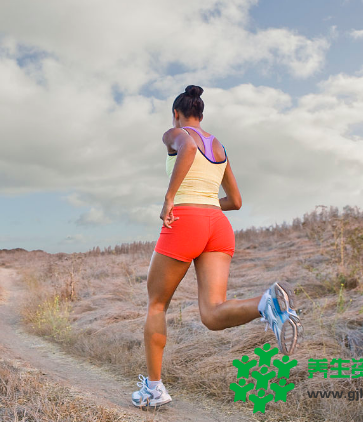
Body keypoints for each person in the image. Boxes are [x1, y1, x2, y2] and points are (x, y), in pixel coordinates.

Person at [131, 85, 303, 409]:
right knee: (212, 313)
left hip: (186, 222)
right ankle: (266, 303)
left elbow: (187, 150)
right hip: (218, 227)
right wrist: (208, 204)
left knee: (156, 305)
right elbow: (236, 201)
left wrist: (170, 199)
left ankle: (154, 389)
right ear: (202, 114)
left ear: (177, 114)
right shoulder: (219, 145)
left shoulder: (175, 133)